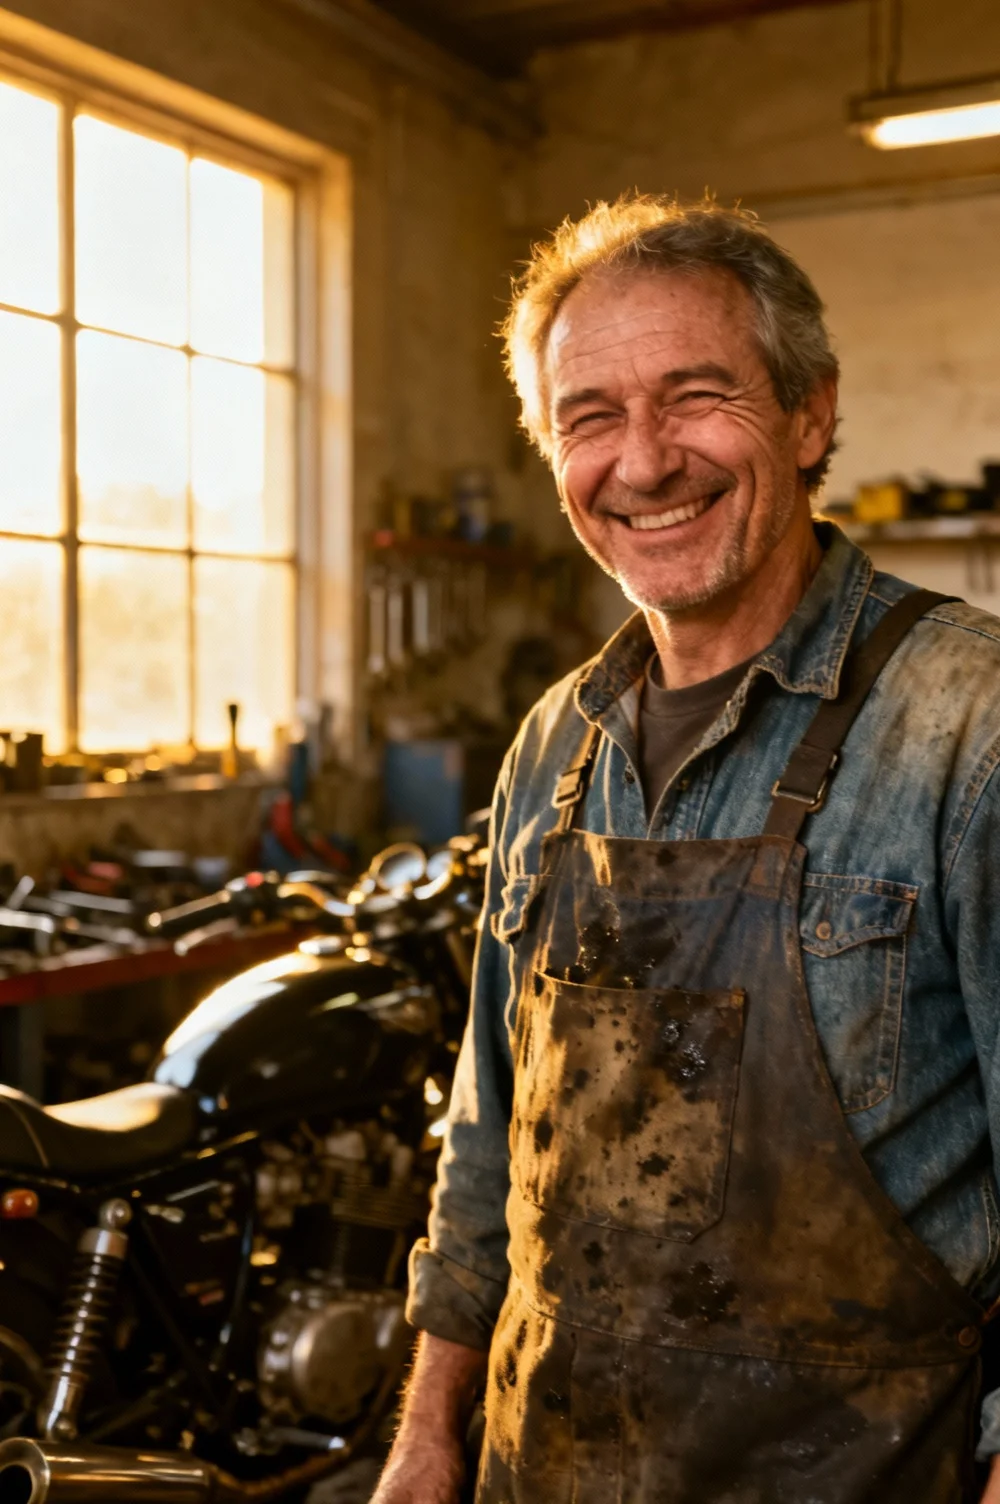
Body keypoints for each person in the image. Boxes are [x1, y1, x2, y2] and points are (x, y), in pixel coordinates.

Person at [372, 196, 1000, 1503]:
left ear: (811, 414)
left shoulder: (967, 729)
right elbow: (490, 1136)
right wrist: (430, 1434)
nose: (644, 462)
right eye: (588, 416)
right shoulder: (554, 746)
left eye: (697, 396)